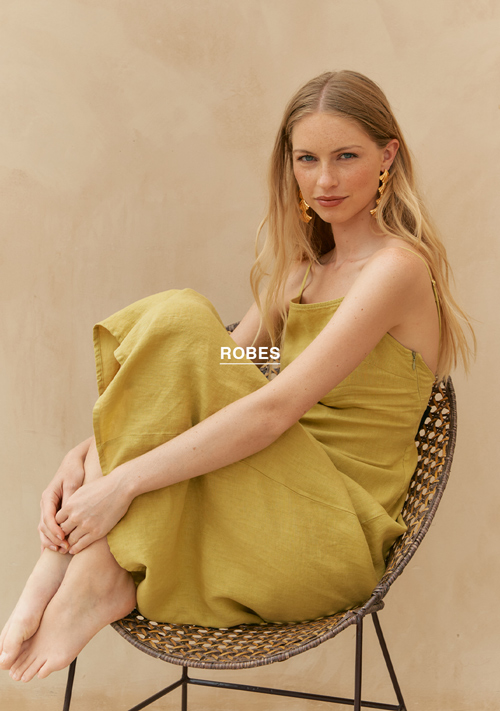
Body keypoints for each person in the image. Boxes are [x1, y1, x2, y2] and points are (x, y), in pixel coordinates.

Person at [0, 70, 475, 684]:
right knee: (182, 327)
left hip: (329, 528)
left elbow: (276, 408)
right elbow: (213, 368)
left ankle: (82, 573)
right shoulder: (302, 272)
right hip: (261, 491)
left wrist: (118, 485)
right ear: (289, 165)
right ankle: (76, 569)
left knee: (180, 320)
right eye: (307, 159)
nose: (324, 181)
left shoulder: (396, 270)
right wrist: (85, 453)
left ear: (388, 156)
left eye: (346, 157)